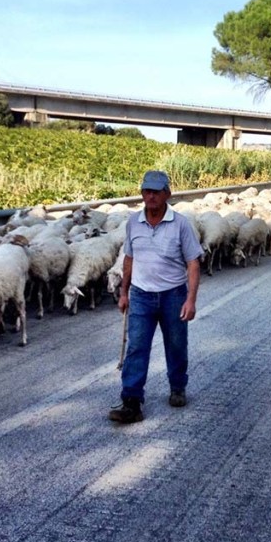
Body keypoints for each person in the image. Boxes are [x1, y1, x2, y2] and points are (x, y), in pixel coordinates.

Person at [109, 170, 204, 424]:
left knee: (175, 344)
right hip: (141, 295)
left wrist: (191, 299)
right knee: (137, 347)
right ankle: (131, 401)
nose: (150, 196)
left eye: (156, 191)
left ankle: (177, 386)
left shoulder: (181, 224)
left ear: (167, 194)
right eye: (146, 191)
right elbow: (129, 258)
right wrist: (124, 292)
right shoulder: (133, 222)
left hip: (173, 294)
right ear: (141, 193)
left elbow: (193, 263)